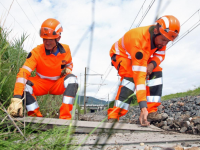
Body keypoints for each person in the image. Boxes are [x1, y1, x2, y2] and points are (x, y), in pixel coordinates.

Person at [107, 15, 180, 126]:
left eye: (168, 41)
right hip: (122, 55)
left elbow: (160, 55)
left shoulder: (163, 35)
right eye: (163, 40)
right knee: (130, 76)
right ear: (156, 31)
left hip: (141, 56)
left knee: (156, 70)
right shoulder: (139, 41)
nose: (164, 44)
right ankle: (114, 115)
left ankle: (151, 112)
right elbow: (139, 76)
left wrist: (151, 65)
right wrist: (142, 107)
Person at [7, 18, 78, 120]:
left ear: (58, 38)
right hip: (41, 84)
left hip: (57, 84)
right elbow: (23, 73)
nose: (46, 42)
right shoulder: (36, 52)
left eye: (49, 39)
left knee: (73, 79)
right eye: (44, 39)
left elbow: (69, 64)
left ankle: (65, 118)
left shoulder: (66, 50)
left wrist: (68, 69)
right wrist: (17, 97)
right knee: (26, 84)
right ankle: (35, 118)